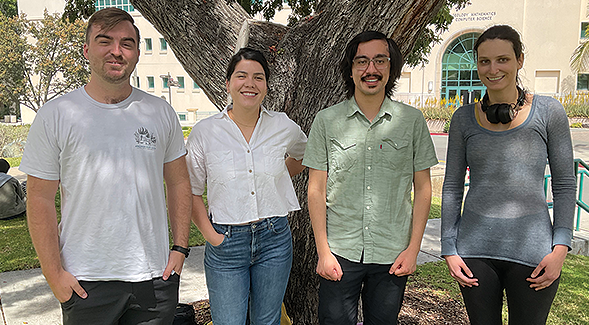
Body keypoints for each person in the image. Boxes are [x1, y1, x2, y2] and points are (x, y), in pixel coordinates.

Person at [20, 7, 192, 324]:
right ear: (86, 50)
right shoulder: (57, 115)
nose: (116, 51)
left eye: (127, 43)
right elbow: (40, 198)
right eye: (105, 41)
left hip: (154, 278)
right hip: (84, 280)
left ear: (137, 53)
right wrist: (54, 273)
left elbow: (179, 182)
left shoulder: (160, 112)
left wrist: (180, 249)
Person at [441, 25, 577, 325]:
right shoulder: (463, 118)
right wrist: (449, 248)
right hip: (474, 252)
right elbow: (451, 187)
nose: (493, 69)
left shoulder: (549, 112)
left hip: (535, 254)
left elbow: (565, 184)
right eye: (484, 61)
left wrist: (560, 249)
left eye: (502, 59)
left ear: (520, 60)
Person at [303, 31, 438, 325]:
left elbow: (424, 189)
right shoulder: (326, 121)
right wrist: (323, 252)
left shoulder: (412, 121)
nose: (371, 69)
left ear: (391, 68)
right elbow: (316, 190)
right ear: (350, 70)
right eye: (362, 61)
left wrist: (413, 249)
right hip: (340, 251)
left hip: (393, 252)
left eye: (380, 60)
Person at [185, 47, 307, 325]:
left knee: (267, 320)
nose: (250, 83)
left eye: (258, 77)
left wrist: (277, 177)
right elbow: (191, 190)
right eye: (241, 76)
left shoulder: (283, 126)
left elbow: (304, 155)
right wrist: (211, 235)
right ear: (228, 84)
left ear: (266, 87)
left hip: (274, 239)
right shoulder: (205, 132)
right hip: (226, 243)